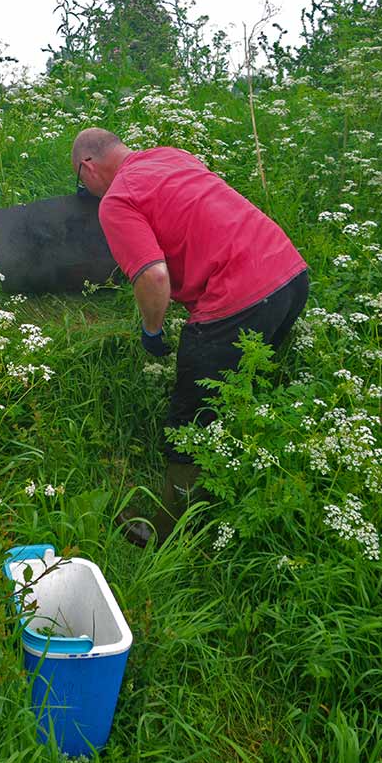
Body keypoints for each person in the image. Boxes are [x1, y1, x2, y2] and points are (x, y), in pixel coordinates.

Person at [71, 127, 309, 547]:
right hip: (289, 275)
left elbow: (154, 276)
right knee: (239, 391)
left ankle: (168, 532)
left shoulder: (118, 200)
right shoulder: (172, 155)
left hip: (236, 299)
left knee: (189, 422)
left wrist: (152, 329)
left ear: (87, 168)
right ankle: (233, 489)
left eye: (79, 180)